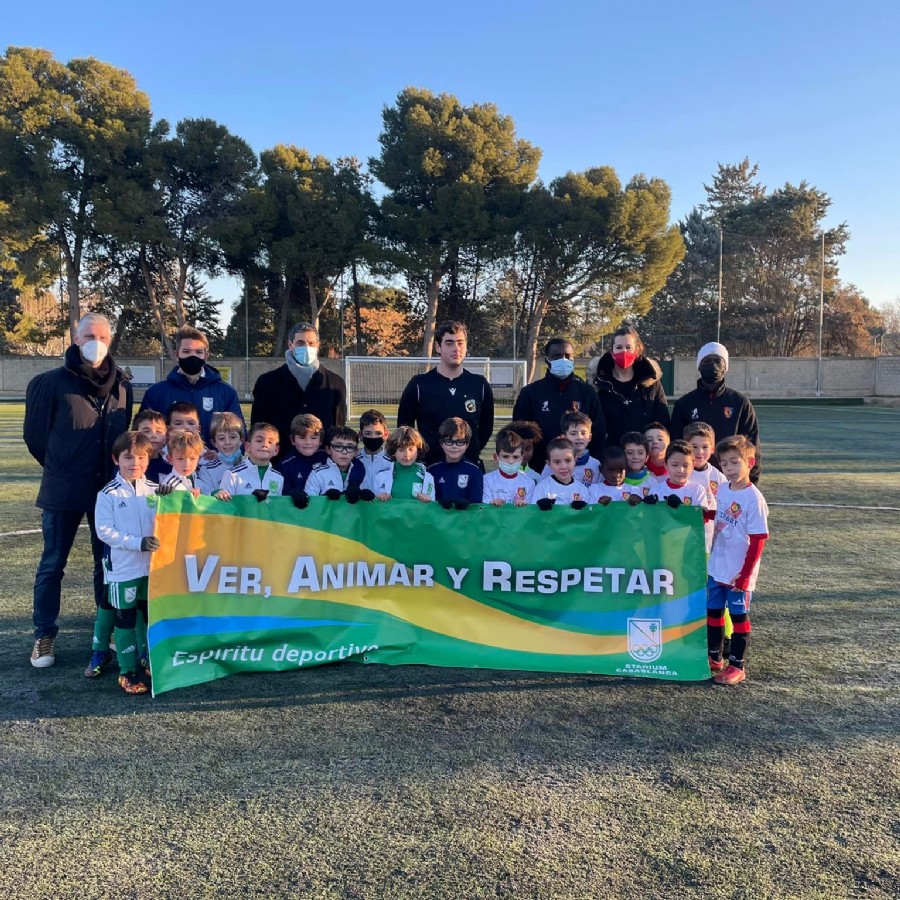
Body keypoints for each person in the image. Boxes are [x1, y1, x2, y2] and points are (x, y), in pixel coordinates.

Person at [24, 312, 133, 668]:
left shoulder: (122, 385)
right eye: (88, 335)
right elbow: (35, 438)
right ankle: (44, 634)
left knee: (107, 565)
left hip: (107, 492)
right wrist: (63, 467)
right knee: (53, 563)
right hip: (63, 490)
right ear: (75, 337)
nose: (95, 342)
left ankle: (107, 631)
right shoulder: (50, 382)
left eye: (102, 336)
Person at [86, 432, 159, 694]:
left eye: (141, 457)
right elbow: (104, 531)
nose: (135, 463)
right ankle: (127, 672)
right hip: (123, 569)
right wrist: (137, 543)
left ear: (148, 460)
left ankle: (147, 658)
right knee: (125, 619)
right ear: (116, 459)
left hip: (151, 569)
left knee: (148, 616)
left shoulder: (155, 491)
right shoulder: (108, 494)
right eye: (128, 457)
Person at [706, 435, 769, 685]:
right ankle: (714, 657)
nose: (729, 469)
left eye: (734, 462)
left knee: (738, 615)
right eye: (724, 464)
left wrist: (744, 577)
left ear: (750, 462)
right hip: (717, 567)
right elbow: (715, 514)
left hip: (738, 573)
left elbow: (758, 541)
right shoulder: (722, 489)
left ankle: (737, 665)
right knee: (713, 612)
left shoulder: (754, 499)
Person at [397, 321, 494, 467]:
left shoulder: (479, 384)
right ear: (438, 347)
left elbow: (486, 428)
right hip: (429, 468)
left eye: (460, 343)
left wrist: (469, 450)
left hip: (469, 467)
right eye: (449, 343)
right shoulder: (419, 384)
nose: (456, 348)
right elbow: (405, 428)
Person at [251, 322, 347, 462]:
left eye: (311, 343)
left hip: (322, 465)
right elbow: (258, 427)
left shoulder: (335, 383)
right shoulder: (267, 382)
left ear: (318, 345)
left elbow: (339, 428)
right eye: (301, 343)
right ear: (291, 345)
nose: (307, 347)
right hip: (279, 464)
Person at [670, 341, 761, 482]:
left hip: (730, 480)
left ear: (726, 367)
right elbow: (675, 446)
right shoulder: (684, 404)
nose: (713, 365)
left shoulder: (740, 403)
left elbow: (752, 446)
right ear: (699, 366)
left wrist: (752, 481)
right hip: (692, 481)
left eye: (718, 360)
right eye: (707, 360)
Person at [511, 337, 605, 473]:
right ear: (547, 359)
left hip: (580, 470)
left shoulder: (586, 392)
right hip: (539, 467)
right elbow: (519, 432)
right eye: (557, 356)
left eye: (568, 356)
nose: (563, 360)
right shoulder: (531, 392)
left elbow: (598, 432)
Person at [139, 325, 243, 444]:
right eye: (186, 351)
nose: (192, 356)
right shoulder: (155, 392)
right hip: (170, 461)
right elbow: (141, 435)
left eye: (198, 352)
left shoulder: (226, 392)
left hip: (213, 461)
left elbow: (239, 434)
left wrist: (224, 459)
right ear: (177, 355)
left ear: (206, 356)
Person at [588, 325, 670, 446]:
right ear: (612, 351)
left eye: (628, 347)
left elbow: (663, 422)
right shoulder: (597, 384)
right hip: (610, 457)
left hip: (642, 456)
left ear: (636, 351)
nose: (624, 352)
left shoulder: (651, 383)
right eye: (619, 347)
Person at [215, 422, 284, 501]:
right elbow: (224, 506)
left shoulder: (278, 478)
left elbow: (276, 507)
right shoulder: (232, 475)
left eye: (270, 442)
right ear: (247, 446)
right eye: (259, 441)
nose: (265, 445)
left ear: (276, 450)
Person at [428, 418, 484, 508]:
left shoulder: (475, 472)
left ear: (467, 444)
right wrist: (438, 502)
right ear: (441, 443)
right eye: (449, 441)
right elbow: (428, 502)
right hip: (438, 521)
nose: (454, 446)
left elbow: (477, 505)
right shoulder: (432, 470)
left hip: (466, 520)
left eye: (460, 442)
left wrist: (468, 505)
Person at [373, 426, 435, 502]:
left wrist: (429, 501)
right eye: (401, 450)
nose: (407, 454)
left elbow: (432, 507)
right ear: (393, 452)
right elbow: (374, 506)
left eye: (411, 449)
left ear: (418, 450)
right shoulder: (381, 476)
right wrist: (379, 498)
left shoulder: (427, 477)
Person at [541, 411, 601, 487]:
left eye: (583, 433)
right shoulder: (553, 464)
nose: (579, 437)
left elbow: (599, 491)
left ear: (589, 437)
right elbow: (542, 487)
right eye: (573, 433)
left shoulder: (595, 465)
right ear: (564, 437)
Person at [531, 437, 593, 509]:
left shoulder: (582, 490)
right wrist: (540, 509)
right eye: (557, 462)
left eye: (568, 460)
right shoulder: (542, 487)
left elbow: (588, 516)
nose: (563, 466)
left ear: (575, 460)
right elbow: (533, 514)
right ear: (549, 464)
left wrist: (582, 510)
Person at [305, 427, 366, 498]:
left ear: (356, 451)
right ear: (328, 449)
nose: (344, 451)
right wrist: (324, 498)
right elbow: (310, 504)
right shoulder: (317, 474)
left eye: (350, 447)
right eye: (338, 446)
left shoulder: (364, 473)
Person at [276, 414, 328, 496]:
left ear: (320, 440)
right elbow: (280, 492)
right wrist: (292, 494)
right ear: (292, 440)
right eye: (302, 438)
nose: (308, 442)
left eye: (313, 438)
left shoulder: (327, 458)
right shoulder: (285, 465)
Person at [482, 431, 535, 507]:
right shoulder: (487, 480)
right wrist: (493, 504)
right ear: (496, 458)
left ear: (522, 458)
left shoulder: (529, 483)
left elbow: (531, 511)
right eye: (505, 456)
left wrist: (523, 506)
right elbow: (485, 509)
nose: (511, 462)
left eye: (515, 457)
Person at [356, 409, 393, 492]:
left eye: (378, 433)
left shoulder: (393, 462)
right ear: (360, 435)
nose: (373, 437)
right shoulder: (353, 461)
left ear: (386, 434)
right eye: (368, 433)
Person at [132, 409, 172, 483]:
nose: (153, 436)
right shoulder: (129, 466)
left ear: (166, 436)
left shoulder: (170, 469)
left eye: (159, 431)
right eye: (146, 431)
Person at [621, 431, 656, 501]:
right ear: (622, 455)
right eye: (630, 453)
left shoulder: (653, 483)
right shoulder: (615, 480)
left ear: (647, 457)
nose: (635, 457)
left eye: (640, 453)